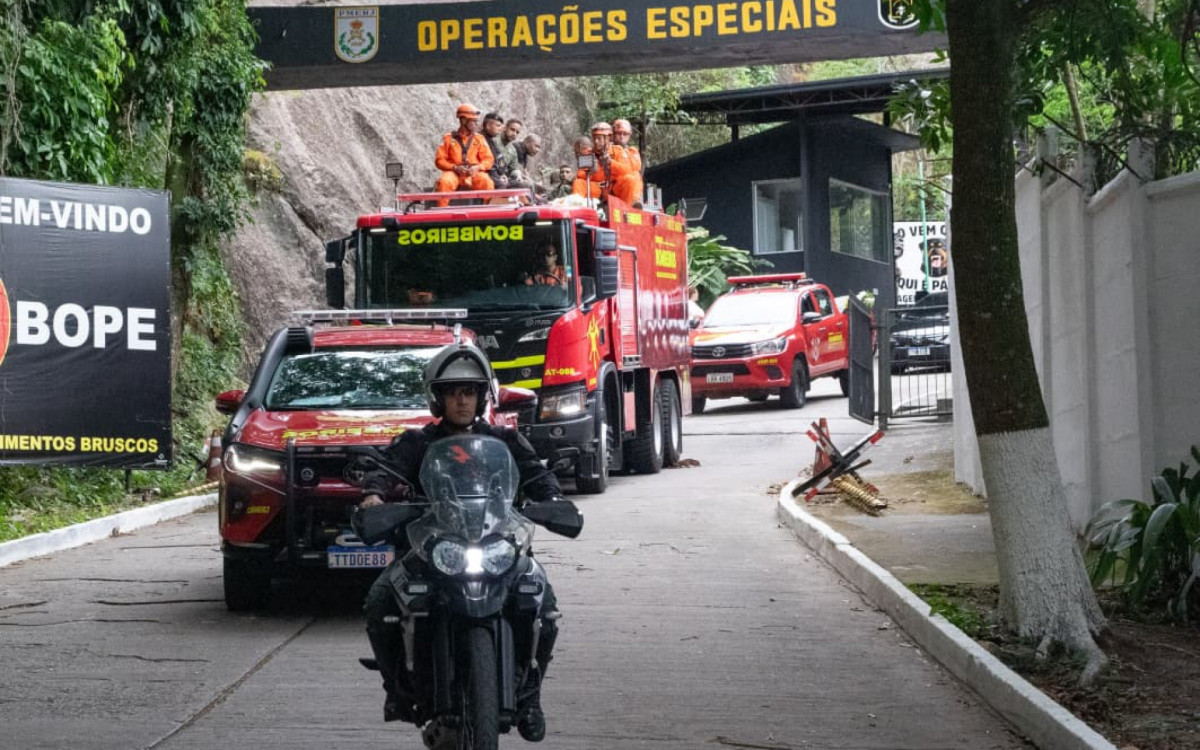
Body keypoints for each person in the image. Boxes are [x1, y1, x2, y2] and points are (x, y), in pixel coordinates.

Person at [361, 342, 563, 742]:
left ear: (482, 396)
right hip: (431, 548)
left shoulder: (504, 440)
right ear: (438, 398)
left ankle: (531, 695)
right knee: (379, 602)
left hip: (497, 544)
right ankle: (396, 690)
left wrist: (553, 500)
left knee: (546, 606)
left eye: (469, 391)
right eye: (453, 392)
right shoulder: (416, 442)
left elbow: (538, 477)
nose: (461, 400)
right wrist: (374, 496)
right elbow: (383, 472)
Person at [433, 103, 495, 206]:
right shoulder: (448, 138)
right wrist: (454, 167)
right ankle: (442, 213)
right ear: (463, 120)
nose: (476, 124)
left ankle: (488, 212)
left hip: (474, 173)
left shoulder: (479, 139)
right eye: (473, 121)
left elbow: (489, 160)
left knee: (487, 182)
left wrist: (478, 167)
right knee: (444, 182)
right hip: (454, 173)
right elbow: (439, 160)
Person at [572, 121, 642, 207]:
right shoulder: (588, 153)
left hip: (614, 189)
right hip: (597, 188)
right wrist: (590, 172)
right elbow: (580, 175)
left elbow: (625, 170)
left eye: (599, 138)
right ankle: (577, 210)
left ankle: (626, 210)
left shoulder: (618, 150)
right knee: (578, 183)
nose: (596, 141)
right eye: (594, 138)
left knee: (630, 179)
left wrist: (611, 163)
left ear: (608, 138)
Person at [481, 111, 513, 188]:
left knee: (522, 185)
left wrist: (502, 174)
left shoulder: (492, 141)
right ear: (488, 125)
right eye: (498, 125)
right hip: (487, 176)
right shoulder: (480, 140)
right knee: (505, 187)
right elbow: (488, 165)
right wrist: (498, 177)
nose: (500, 129)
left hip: (497, 176)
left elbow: (499, 160)